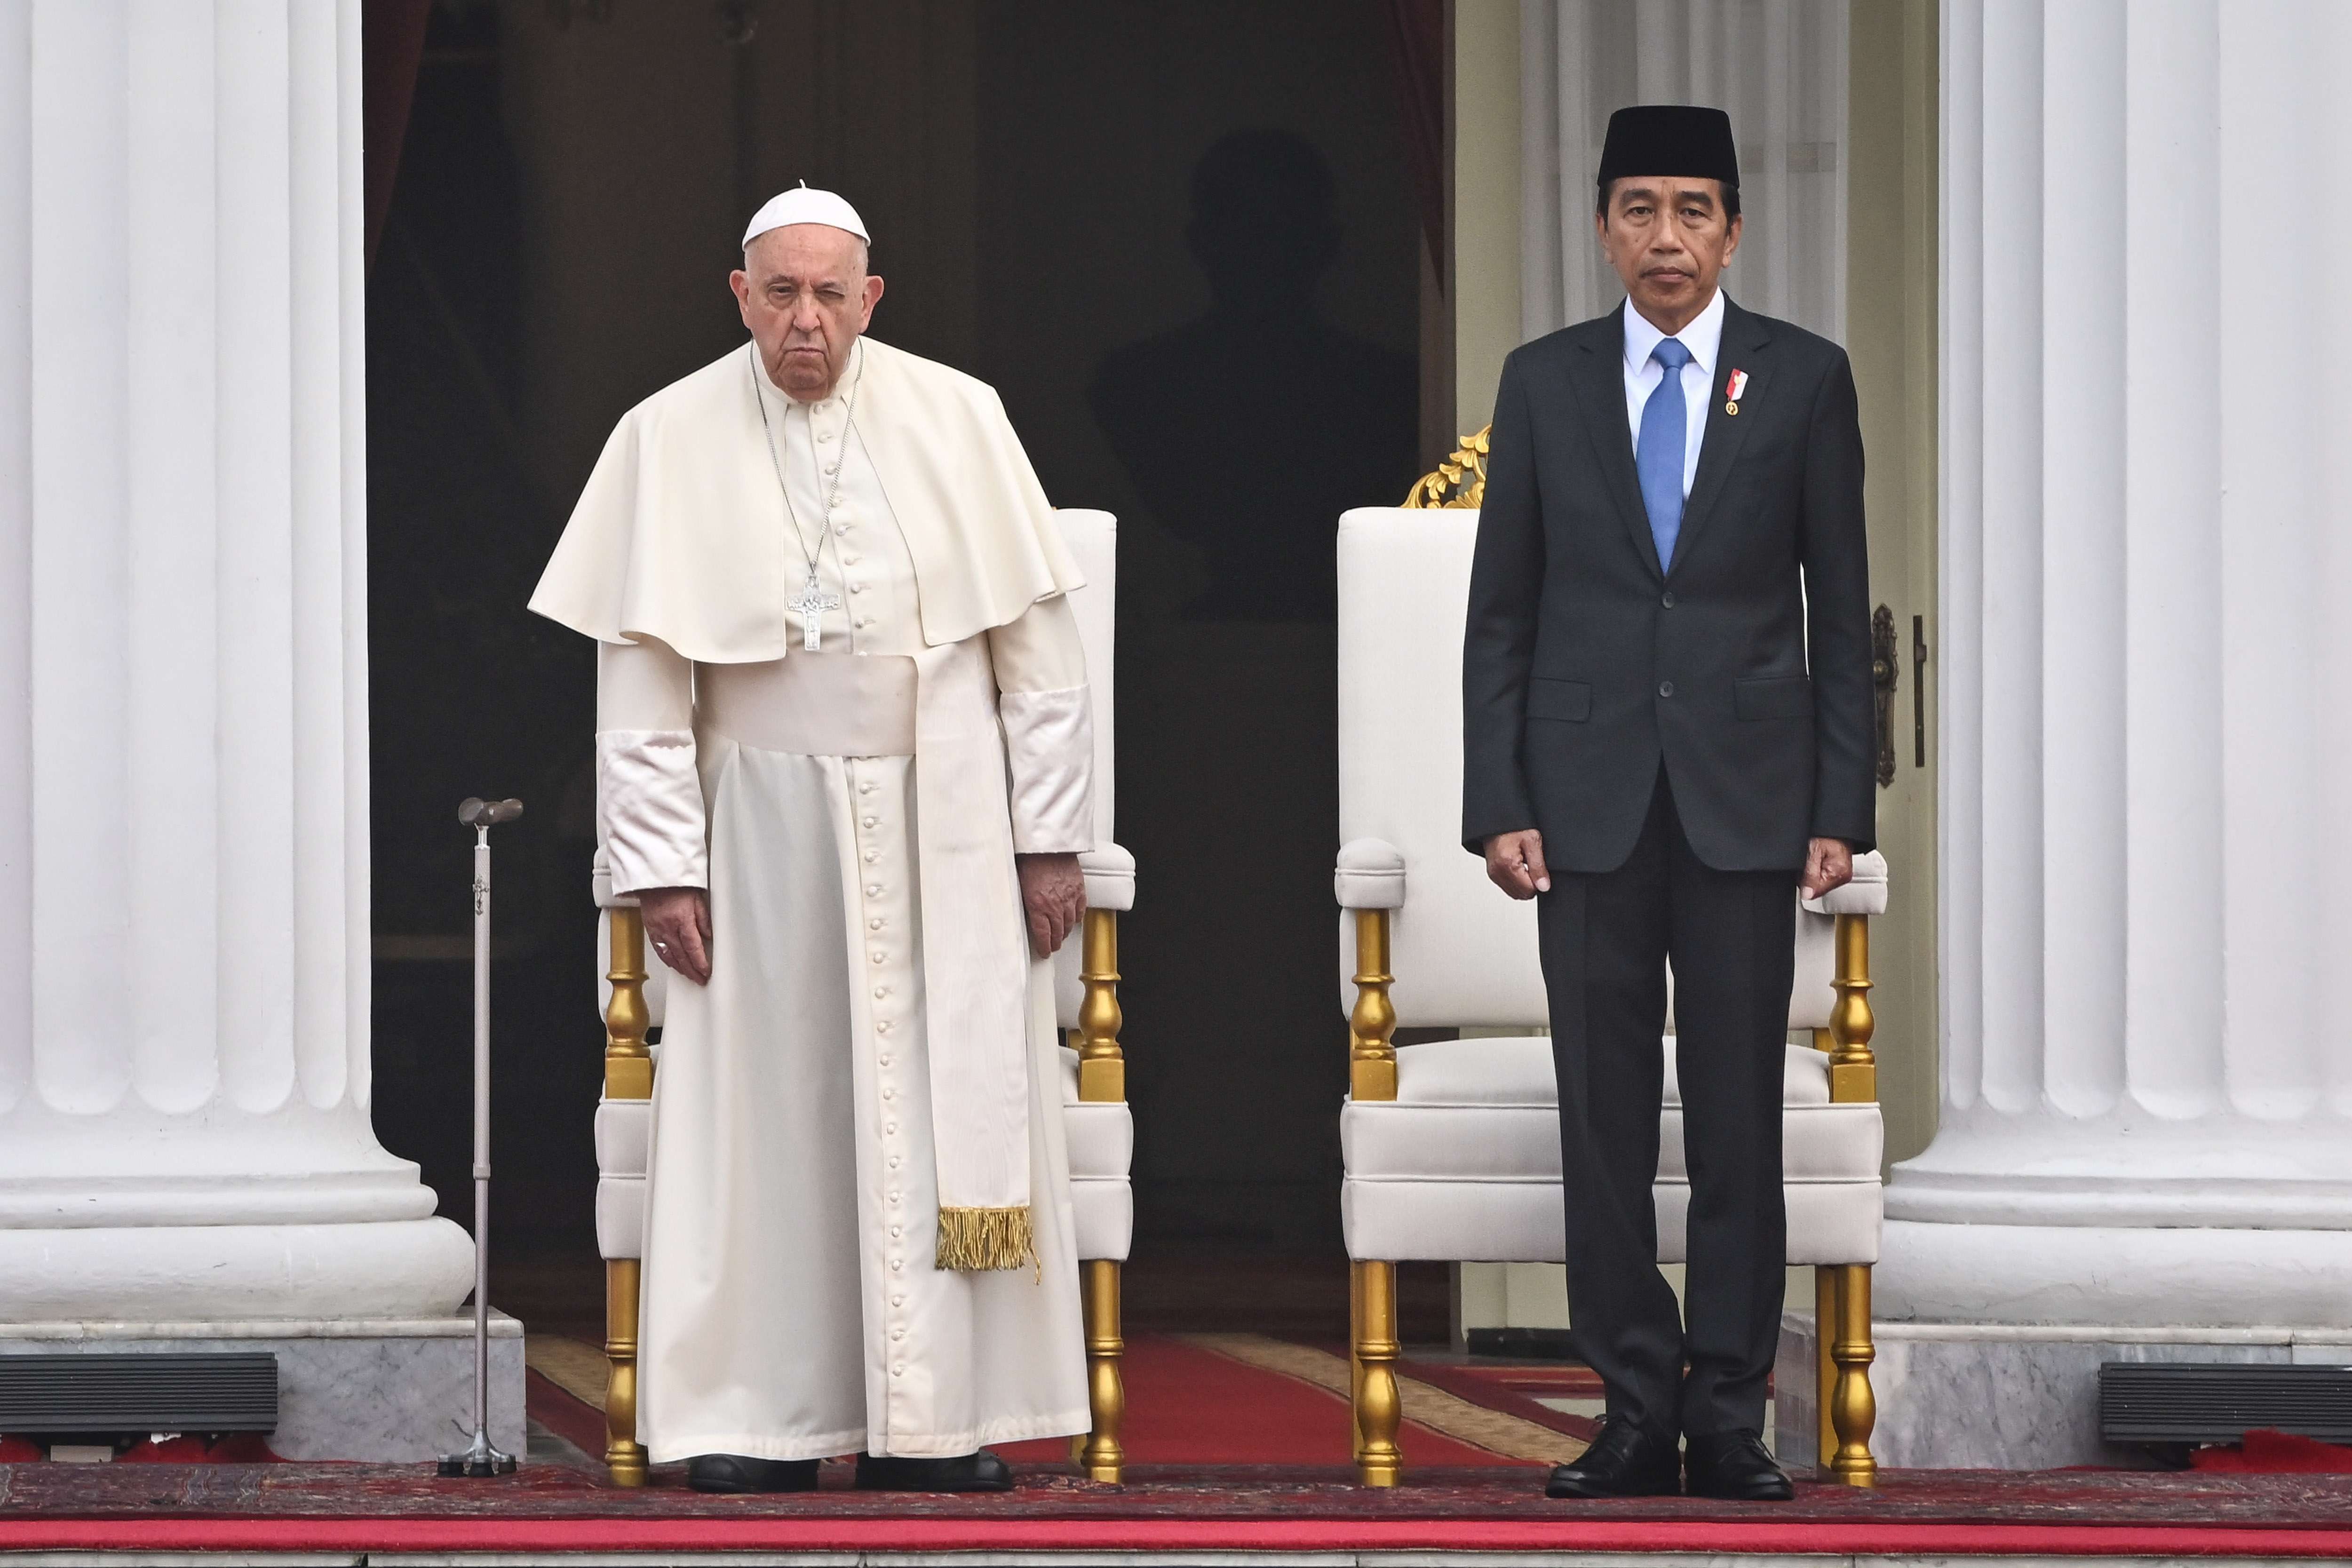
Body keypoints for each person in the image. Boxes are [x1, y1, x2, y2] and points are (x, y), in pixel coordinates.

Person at [530, 187, 1097, 1494]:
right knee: (764, 1120)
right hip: (757, 823)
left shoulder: (961, 415)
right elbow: (642, 681)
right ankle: (756, 1417)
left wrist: (1049, 838)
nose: (805, 321)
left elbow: (1041, 659)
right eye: (780, 293)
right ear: (739, 296)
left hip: (944, 811)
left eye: (830, 295)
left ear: (870, 299)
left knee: (934, 1116)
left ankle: (933, 1422)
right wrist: (661, 866)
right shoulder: (664, 434)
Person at [1461, 106, 1874, 1501]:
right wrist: (1499, 797)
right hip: (1584, 807)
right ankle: (1634, 1408)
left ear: (1734, 233)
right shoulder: (1545, 382)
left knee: (1740, 1118)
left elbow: (1838, 606)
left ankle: (1732, 1415)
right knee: (1604, 1121)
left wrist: (1841, 803)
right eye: (1639, 208)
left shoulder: (1804, 379)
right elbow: (1502, 612)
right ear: (1603, 229)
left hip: (1750, 803)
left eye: (1694, 210)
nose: (1667, 236)